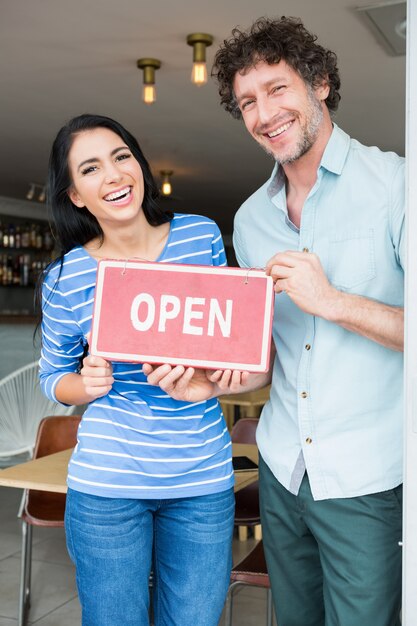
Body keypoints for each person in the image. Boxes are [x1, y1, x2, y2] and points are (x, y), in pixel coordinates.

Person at [146, 16, 405, 626]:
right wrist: (216, 381)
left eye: (277, 88)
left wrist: (333, 299)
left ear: (319, 82)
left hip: (369, 478)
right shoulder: (251, 220)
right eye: (247, 102)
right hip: (283, 470)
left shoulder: (398, 186)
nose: (264, 113)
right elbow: (267, 357)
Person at [38, 113, 235, 626]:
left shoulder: (201, 236)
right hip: (107, 486)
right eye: (91, 168)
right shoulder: (66, 277)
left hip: (202, 478)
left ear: (139, 165)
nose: (114, 175)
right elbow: (52, 376)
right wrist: (84, 384)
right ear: (76, 195)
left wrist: (213, 374)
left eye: (121, 156)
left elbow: (228, 338)